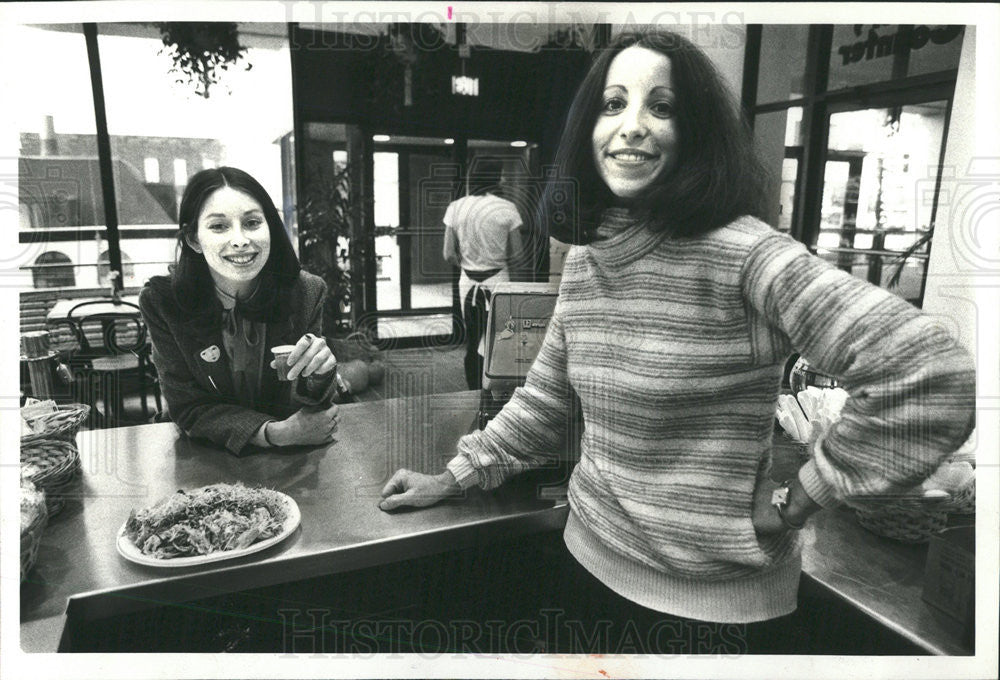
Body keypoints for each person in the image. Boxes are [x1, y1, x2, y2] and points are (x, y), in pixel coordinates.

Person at [378, 31, 976, 652]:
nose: (631, 126)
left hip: (709, 615)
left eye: (660, 107)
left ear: (697, 132)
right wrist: (454, 475)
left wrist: (802, 497)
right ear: (588, 131)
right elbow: (545, 402)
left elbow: (927, 372)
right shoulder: (589, 257)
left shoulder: (746, 254)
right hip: (585, 563)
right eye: (613, 105)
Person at [139, 167, 341, 455]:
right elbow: (187, 407)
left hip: (291, 459)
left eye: (252, 222)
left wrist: (322, 373)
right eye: (219, 226)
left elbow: (311, 406)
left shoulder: (305, 292)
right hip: (206, 455)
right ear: (194, 239)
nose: (240, 240)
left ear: (270, 227)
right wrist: (275, 433)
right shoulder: (163, 302)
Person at [442, 159, 524, 389]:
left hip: (468, 282)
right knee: (498, 340)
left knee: (472, 339)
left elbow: (448, 254)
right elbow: (517, 255)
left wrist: (471, 264)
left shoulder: (456, 207)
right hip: (498, 281)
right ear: (493, 178)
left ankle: (473, 392)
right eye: (502, 175)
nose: (505, 179)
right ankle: (494, 391)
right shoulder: (508, 208)